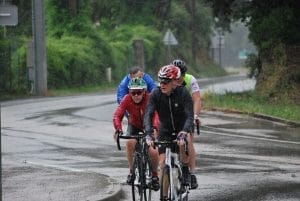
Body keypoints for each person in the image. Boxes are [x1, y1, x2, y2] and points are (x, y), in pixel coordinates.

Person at [143, 65, 194, 193]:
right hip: (164, 130)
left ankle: (186, 172)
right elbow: (148, 114)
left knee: (184, 142)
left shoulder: (182, 93)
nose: (162, 84)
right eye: (160, 81)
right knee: (163, 164)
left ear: (174, 82)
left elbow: (190, 115)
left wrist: (184, 131)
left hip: (181, 128)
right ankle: (165, 196)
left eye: (166, 82)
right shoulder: (156, 93)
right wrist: (149, 133)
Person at [113, 77, 160, 191]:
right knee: (130, 143)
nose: (136, 95)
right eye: (133, 92)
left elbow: (156, 114)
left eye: (139, 92)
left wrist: (154, 128)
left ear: (144, 91)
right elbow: (117, 115)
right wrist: (118, 129)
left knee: (152, 151)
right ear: (129, 92)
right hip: (134, 125)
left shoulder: (150, 99)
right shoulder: (126, 99)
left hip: (149, 125)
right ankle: (131, 171)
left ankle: (154, 175)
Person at [172, 59, 201, 189]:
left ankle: (192, 173)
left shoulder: (191, 80)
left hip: (187, 115)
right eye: (177, 75)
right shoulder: (167, 79)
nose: (179, 79)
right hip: (172, 115)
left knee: (188, 141)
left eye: (181, 75)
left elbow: (197, 99)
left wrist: (195, 115)